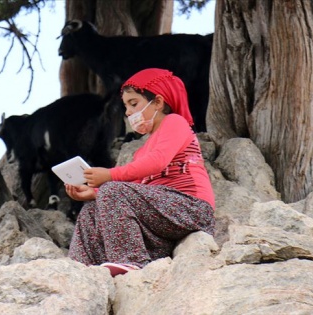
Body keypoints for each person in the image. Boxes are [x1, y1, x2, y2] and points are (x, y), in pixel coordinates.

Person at [65, 68, 215, 277]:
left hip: (191, 209)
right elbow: (134, 193)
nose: (128, 112)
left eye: (133, 104)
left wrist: (108, 175)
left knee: (113, 189)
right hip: (161, 222)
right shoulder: (141, 150)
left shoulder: (174, 122)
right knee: (91, 208)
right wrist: (94, 194)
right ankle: (81, 269)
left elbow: (156, 162)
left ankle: (131, 261)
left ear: (159, 102)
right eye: (126, 106)